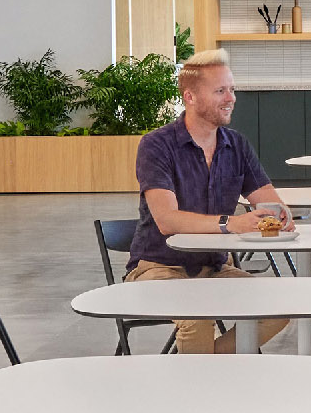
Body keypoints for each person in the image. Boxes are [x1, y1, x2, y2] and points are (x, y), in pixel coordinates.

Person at [123, 50, 290, 353]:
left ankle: (207, 367)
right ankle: (202, 377)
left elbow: (268, 201)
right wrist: (231, 224)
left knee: (280, 306)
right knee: (197, 317)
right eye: (220, 91)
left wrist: (280, 214)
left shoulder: (236, 144)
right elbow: (167, 220)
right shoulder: (156, 145)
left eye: (232, 89)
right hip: (158, 268)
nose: (231, 98)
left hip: (214, 268)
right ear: (190, 97)